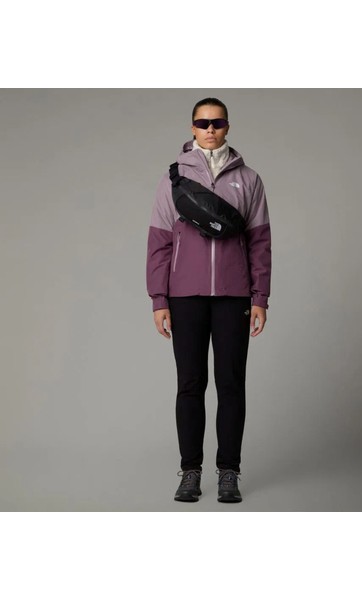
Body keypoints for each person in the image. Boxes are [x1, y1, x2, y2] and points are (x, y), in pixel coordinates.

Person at [146, 97, 272, 503]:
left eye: (217, 122)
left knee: (231, 384)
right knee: (190, 384)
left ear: (228, 126)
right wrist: (159, 298)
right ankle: (190, 471)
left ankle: (229, 472)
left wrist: (260, 296)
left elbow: (260, 242)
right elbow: (159, 243)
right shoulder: (173, 179)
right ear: (192, 128)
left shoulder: (249, 179)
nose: (210, 129)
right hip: (184, 296)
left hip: (235, 296)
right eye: (203, 123)